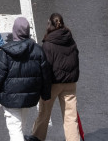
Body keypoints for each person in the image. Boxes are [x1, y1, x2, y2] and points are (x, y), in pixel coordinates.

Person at [0, 16, 53, 132]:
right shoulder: (38, 50)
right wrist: (45, 95)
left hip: (10, 96)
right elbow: (46, 75)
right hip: (30, 95)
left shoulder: (5, 52)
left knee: (15, 129)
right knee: (21, 126)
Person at [33, 12, 81, 141]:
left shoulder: (48, 44)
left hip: (53, 84)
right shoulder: (70, 40)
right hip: (70, 84)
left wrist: (45, 91)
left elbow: (46, 69)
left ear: (49, 24)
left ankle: (37, 137)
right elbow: (75, 60)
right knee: (70, 116)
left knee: (44, 113)